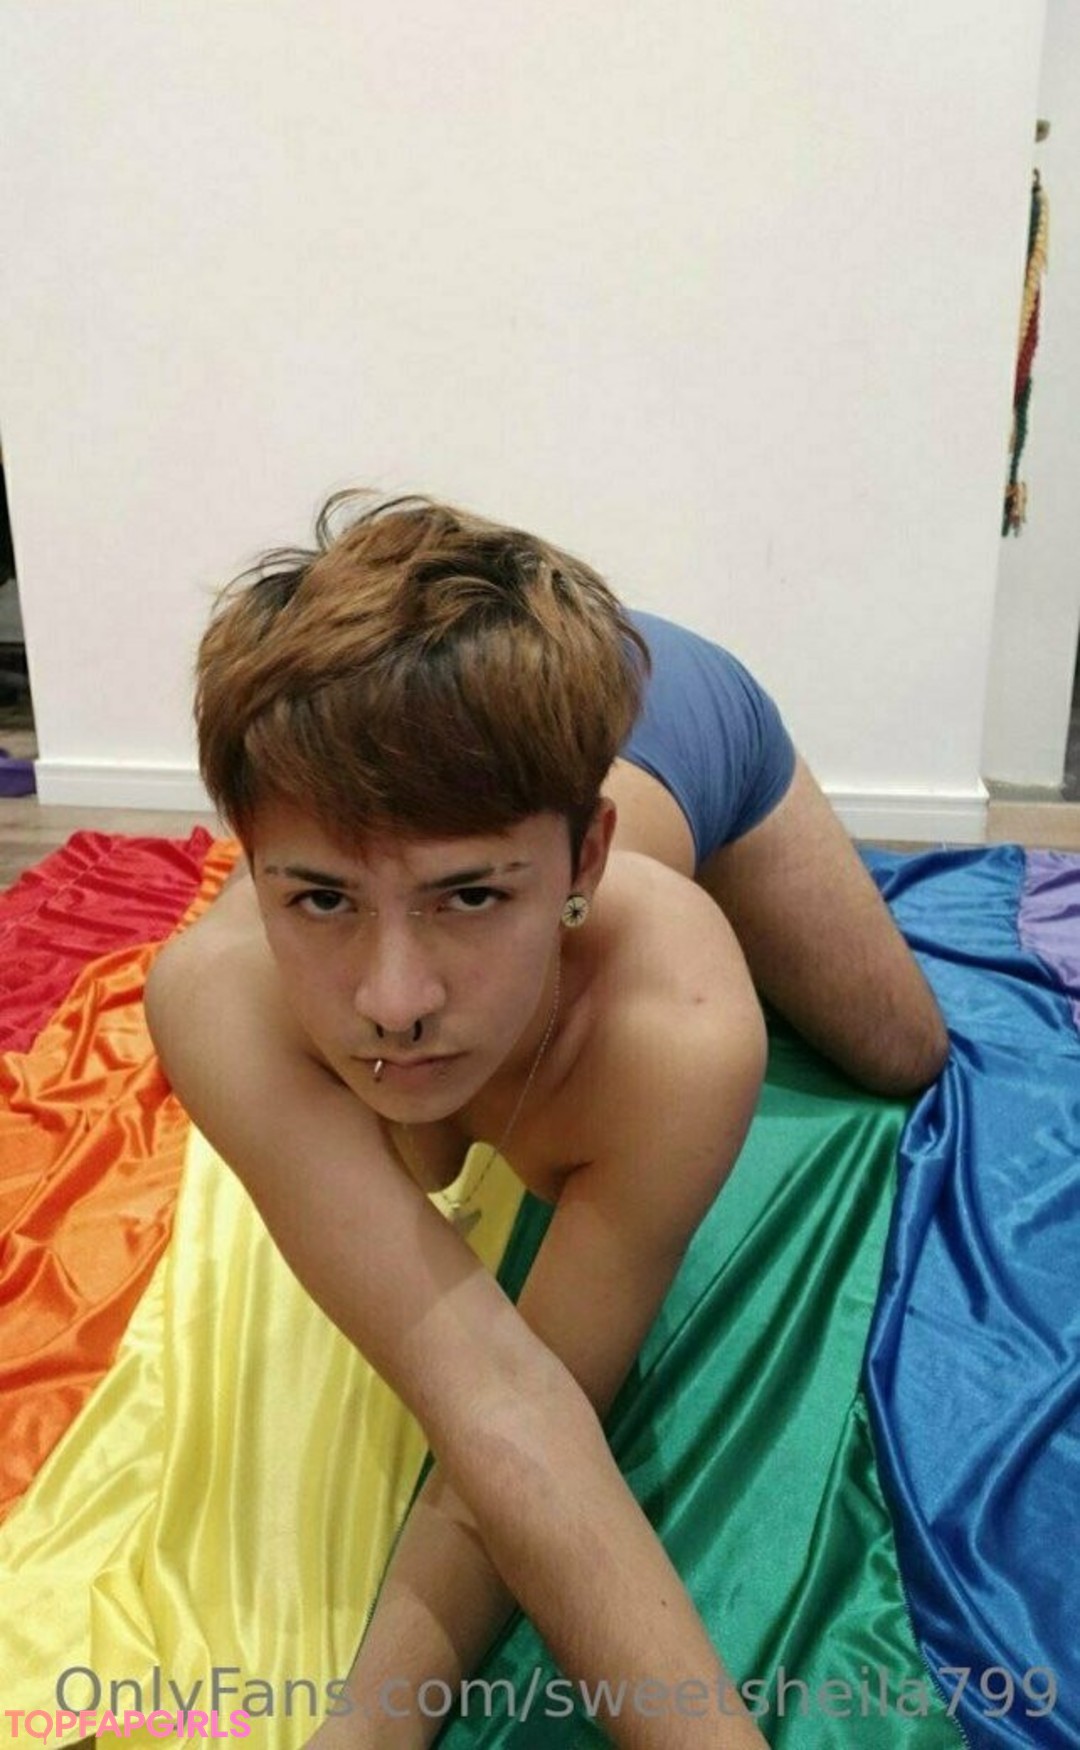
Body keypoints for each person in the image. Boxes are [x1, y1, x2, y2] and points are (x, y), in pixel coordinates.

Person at [144, 492, 948, 1750]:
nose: (394, 1000)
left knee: (903, 1048)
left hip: (692, 714)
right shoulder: (214, 997)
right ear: (248, 861)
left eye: (469, 894)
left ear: (585, 861)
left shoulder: (678, 1027)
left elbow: (525, 1414)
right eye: (321, 899)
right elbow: (482, 1390)